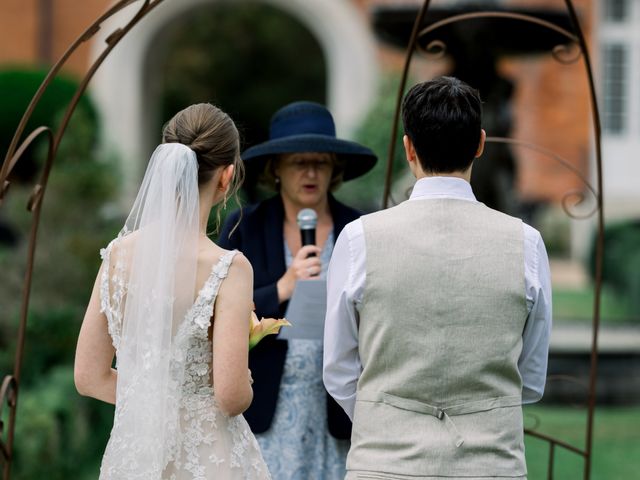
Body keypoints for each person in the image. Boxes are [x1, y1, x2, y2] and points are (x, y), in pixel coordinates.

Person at [323, 77, 552, 480]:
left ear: (409, 147)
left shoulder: (359, 238)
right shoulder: (526, 243)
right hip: (491, 464)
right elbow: (531, 378)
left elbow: (339, 368)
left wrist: (387, 417)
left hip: (384, 463)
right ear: (480, 144)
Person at [74, 103, 271, 479]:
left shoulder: (117, 255)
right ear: (227, 176)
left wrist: (151, 403)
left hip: (134, 456)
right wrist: (244, 382)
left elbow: (89, 376)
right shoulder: (228, 267)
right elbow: (229, 397)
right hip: (210, 457)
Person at [218, 101, 377, 479]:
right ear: (276, 169)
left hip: (338, 409)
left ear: (335, 168)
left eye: (320, 162)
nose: (310, 172)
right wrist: (283, 287)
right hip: (266, 407)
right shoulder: (244, 226)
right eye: (297, 162)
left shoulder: (361, 229)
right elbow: (213, 311)